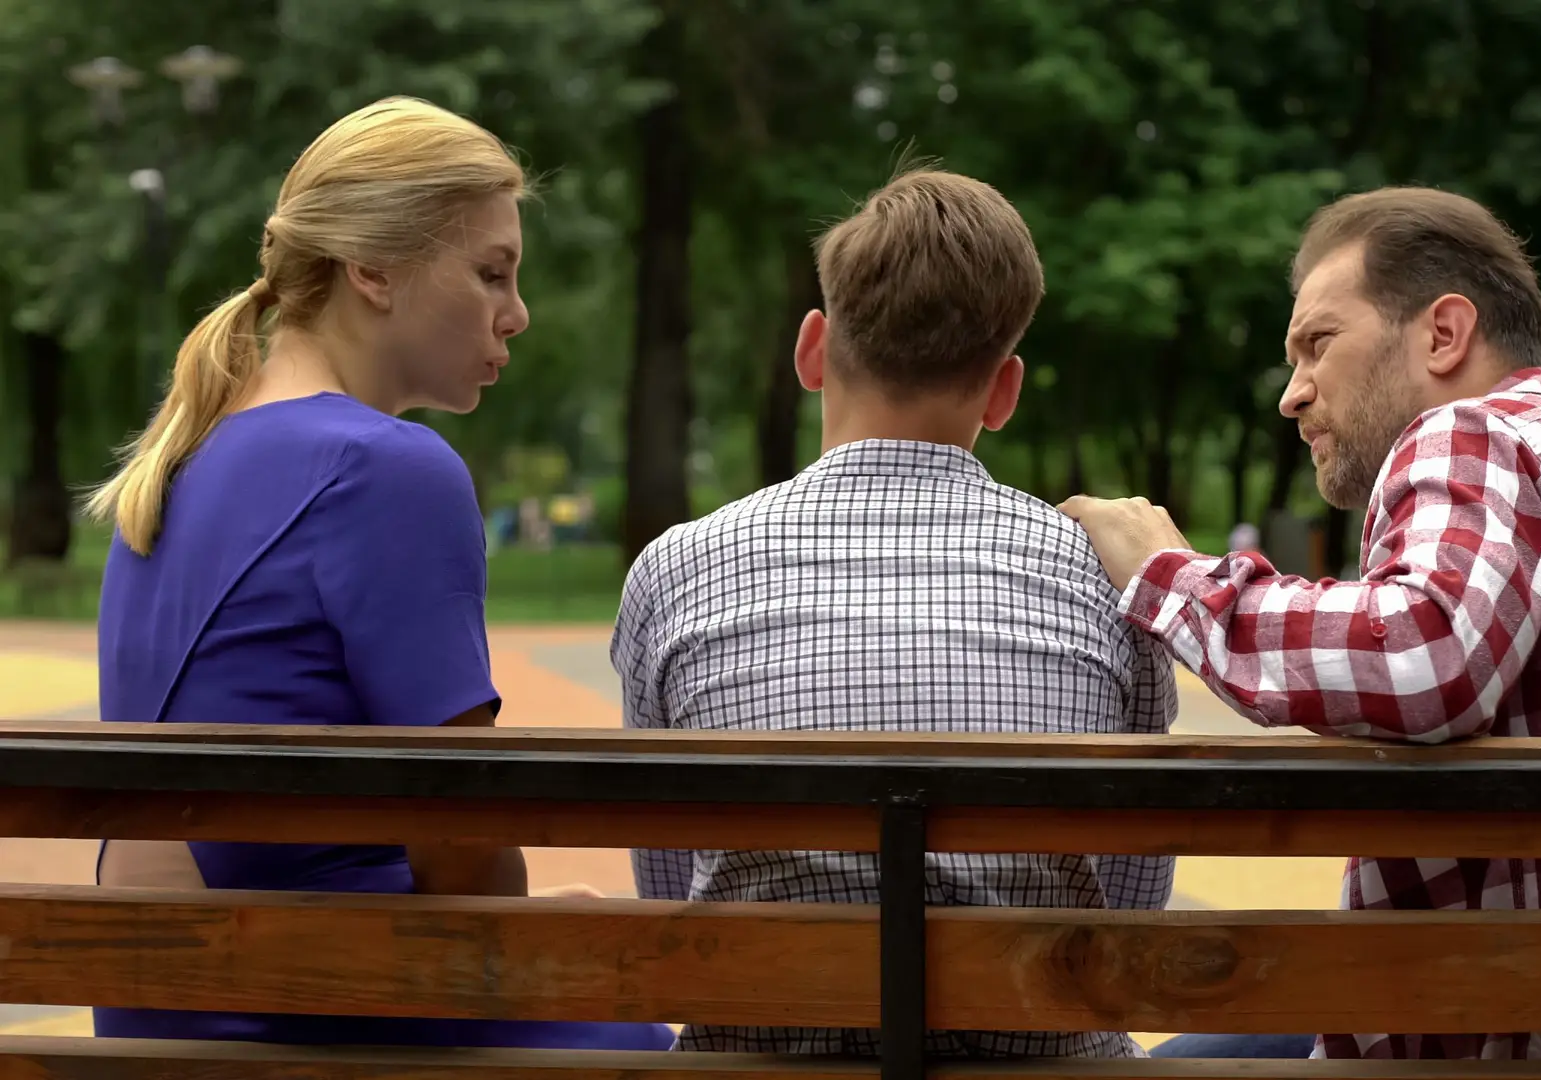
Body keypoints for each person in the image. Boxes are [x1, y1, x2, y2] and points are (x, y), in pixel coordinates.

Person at [1062, 186, 1541, 1061]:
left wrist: (1177, 579)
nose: (1293, 394)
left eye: (1318, 343)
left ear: (1443, 334)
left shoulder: (1473, 432)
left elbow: (1422, 654)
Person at [89, 97, 670, 1052]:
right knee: (641, 1032)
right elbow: (465, 852)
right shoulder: (385, 468)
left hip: (174, 1005)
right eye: (491, 273)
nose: (516, 314)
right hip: (322, 1011)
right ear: (372, 269)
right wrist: (537, 927)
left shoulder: (178, 460)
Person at [612, 166, 1179, 1058]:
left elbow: (669, 878)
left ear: (812, 349)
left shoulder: (676, 568)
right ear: (1004, 389)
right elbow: (1129, 891)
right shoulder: (1101, 577)